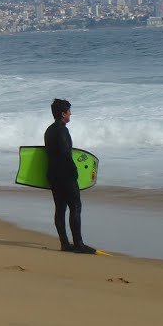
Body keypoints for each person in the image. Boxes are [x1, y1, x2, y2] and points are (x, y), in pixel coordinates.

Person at [44, 99, 96, 254]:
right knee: (75, 207)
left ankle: (65, 244)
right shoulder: (62, 130)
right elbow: (66, 153)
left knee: (60, 208)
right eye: (69, 111)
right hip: (65, 175)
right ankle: (78, 244)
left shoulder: (49, 130)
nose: (70, 114)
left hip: (53, 174)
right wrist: (74, 171)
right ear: (63, 114)